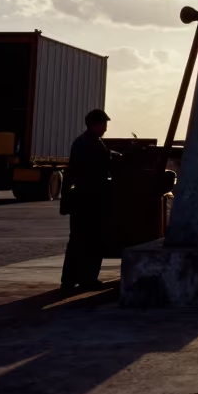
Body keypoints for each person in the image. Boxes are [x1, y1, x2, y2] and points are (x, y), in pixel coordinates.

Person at [60, 109, 113, 293]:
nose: (105, 129)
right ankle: (87, 279)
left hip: (81, 200)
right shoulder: (91, 145)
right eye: (104, 124)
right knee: (92, 241)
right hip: (90, 201)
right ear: (95, 124)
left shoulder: (83, 142)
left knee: (77, 240)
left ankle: (70, 280)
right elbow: (99, 168)